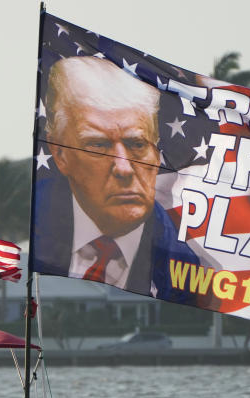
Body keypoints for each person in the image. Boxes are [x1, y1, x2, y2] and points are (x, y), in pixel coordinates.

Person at [32, 55, 198, 303]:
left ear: (156, 154)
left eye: (137, 144)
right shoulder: (36, 224)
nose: (124, 168)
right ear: (60, 154)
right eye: (98, 145)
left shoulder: (185, 263)